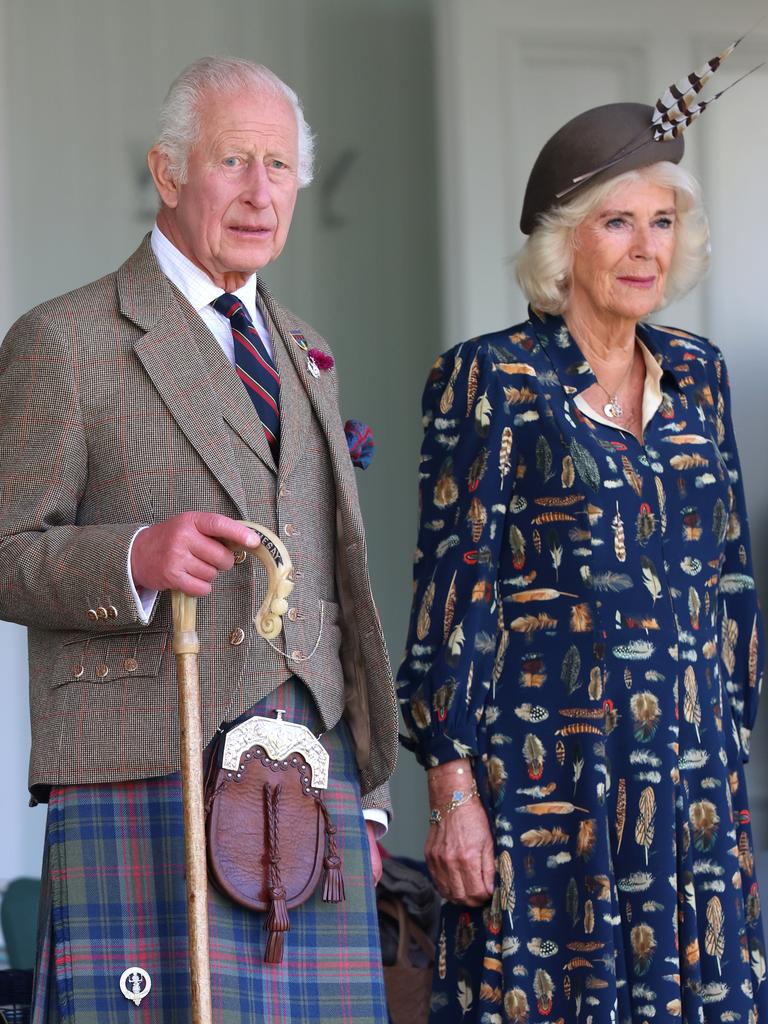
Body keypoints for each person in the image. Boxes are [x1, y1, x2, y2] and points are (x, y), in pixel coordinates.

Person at [0, 57, 397, 1023]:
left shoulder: (306, 349)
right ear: (169, 173)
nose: (262, 193)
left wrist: (369, 792)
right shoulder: (67, 339)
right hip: (145, 762)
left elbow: (334, 575)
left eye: (280, 166)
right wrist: (130, 558)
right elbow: (7, 549)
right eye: (233, 161)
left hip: (312, 778)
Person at [397, 97, 767, 1022]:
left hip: (695, 789)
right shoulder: (492, 378)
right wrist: (452, 792)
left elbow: (730, 581)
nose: (646, 247)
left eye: (662, 222)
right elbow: (453, 595)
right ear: (566, 242)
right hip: (546, 792)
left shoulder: (700, 376)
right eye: (617, 222)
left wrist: (731, 752)